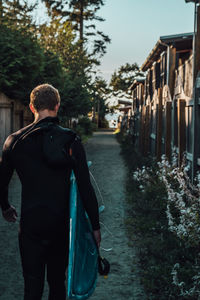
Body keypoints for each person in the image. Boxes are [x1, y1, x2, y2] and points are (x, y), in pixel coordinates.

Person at [0, 83, 101, 300]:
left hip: (30, 226)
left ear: (31, 106)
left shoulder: (14, 141)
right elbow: (85, 186)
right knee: (57, 283)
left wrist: (5, 207)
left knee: (32, 286)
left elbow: (1, 182)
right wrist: (95, 226)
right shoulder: (71, 140)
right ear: (57, 105)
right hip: (60, 225)